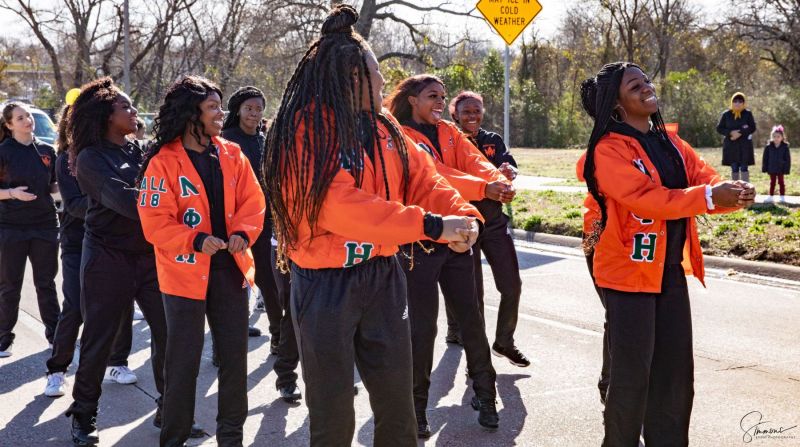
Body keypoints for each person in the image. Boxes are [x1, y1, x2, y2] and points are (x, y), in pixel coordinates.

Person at [264, 5, 480, 445]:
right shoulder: (304, 132)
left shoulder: (387, 130)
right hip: (325, 285)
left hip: (383, 277)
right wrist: (435, 227)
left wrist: (466, 218)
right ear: (350, 79)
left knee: (397, 409)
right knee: (333, 414)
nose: (383, 82)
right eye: (375, 72)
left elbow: (426, 181)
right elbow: (341, 207)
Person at [577, 62, 755, 446]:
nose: (647, 87)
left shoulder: (671, 142)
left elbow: (701, 174)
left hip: (669, 271)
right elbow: (647, 199)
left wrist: (728, 190)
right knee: (632, 378)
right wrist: (709, 198)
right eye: (635, 85)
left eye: (646, 81)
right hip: (626, 274)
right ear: (616, 104)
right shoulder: (607, 151)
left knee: (675, 377)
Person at [64, 77, 202, 446]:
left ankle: (169, 411)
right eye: (125, 107)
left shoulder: (141, 150)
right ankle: (83, 413)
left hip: (148, 258)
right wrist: (162, 202)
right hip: (106, 258)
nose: (133, 111)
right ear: (106, 116)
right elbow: (126, 203)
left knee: (169, 335)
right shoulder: (91, 158)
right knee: (99, 339)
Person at [137, 75, 265, 447]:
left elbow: (253, 202)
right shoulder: (163, 162)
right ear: (191, 113)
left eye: (220, 106)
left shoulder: (232, 154)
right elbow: (154, 221)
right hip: (183, 276)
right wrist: (193, 239)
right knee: (182, 364)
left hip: (230, 271)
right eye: (212, 107)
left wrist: (243, 232)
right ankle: (173, 438)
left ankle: (231, 438)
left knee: (234, 361)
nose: (220, 114)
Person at [386, 75, 506, 437]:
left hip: (456, 239)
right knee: (422, 329)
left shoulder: (449, 131)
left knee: (471, 318)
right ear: (411, 100)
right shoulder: (400, 136)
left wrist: (497, 177)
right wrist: (483, 188)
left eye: (443, 96)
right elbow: (440, 176)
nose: (441, 101)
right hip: (419, 241)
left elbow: (472, 161)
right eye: (432, 96)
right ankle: (417, 409)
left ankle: (486, 395)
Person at [44, 103, 135, 397]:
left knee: (122, 306)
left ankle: (117, 362)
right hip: (77, 242)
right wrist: (109, 202)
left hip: (116, 243)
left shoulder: (120, 151)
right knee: (75, 305)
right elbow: (74, 205)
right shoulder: (68, 159)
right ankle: (57, 369)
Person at [446, 90, 529, 367]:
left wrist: (509, 172)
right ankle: (477, 360)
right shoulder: (449, 141)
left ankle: (505, 341)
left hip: (494, 223)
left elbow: (509, 167)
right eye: (466, 111)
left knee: (512, 286)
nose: (472, 116)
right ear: (454, 113)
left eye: (477, 110)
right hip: (464, 224)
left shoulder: (492, 140)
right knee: (473, 296)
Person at [220, 86, 280, 346]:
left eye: (258, 109)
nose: (254, 114)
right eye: (249, 109)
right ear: (238, 110)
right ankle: (228, 337)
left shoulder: (263, 138)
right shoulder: (226, 141)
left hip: (264, 218)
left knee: (269, 279)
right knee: (234, 281)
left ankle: (279, 335)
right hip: (234, 220)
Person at [0, 102, 60, 358]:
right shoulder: (3, 152)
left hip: (45, 225)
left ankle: (55, 335)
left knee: (46, 284)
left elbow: (55, 186)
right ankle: (4, 337)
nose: (28, 121)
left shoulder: (47, 150)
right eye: (20, 118)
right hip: (11, 228)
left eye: (28, 116)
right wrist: (11, 193)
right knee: (9, 286)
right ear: (9, 124)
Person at [717, 92, 756, 181]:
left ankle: (746, 189)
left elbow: (752, 127)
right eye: (735, 101)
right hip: (731, 146)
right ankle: (735, 190)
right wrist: (730, 133)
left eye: (740, 101)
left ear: (743, 103)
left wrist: (740, 132)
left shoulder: (747, 114)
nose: (737, 103)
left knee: (744, 168)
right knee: (734, 168)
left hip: (744, 146)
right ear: (732, 102)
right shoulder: (726, 114)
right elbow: (719, 128)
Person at [762, 125, 791, 200]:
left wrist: (786, 169)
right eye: (774, 136)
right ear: (772, 137)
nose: (776, 138)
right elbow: (765, 158)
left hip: (781, 168)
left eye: (778, 136)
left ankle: (782, 196)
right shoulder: (768, 147)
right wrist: (764, 168)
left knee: (781, 182)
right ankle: (771, 196)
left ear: (782, 137)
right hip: (771, 167)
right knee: (772, 182)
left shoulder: (785, 147)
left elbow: (788, 159)